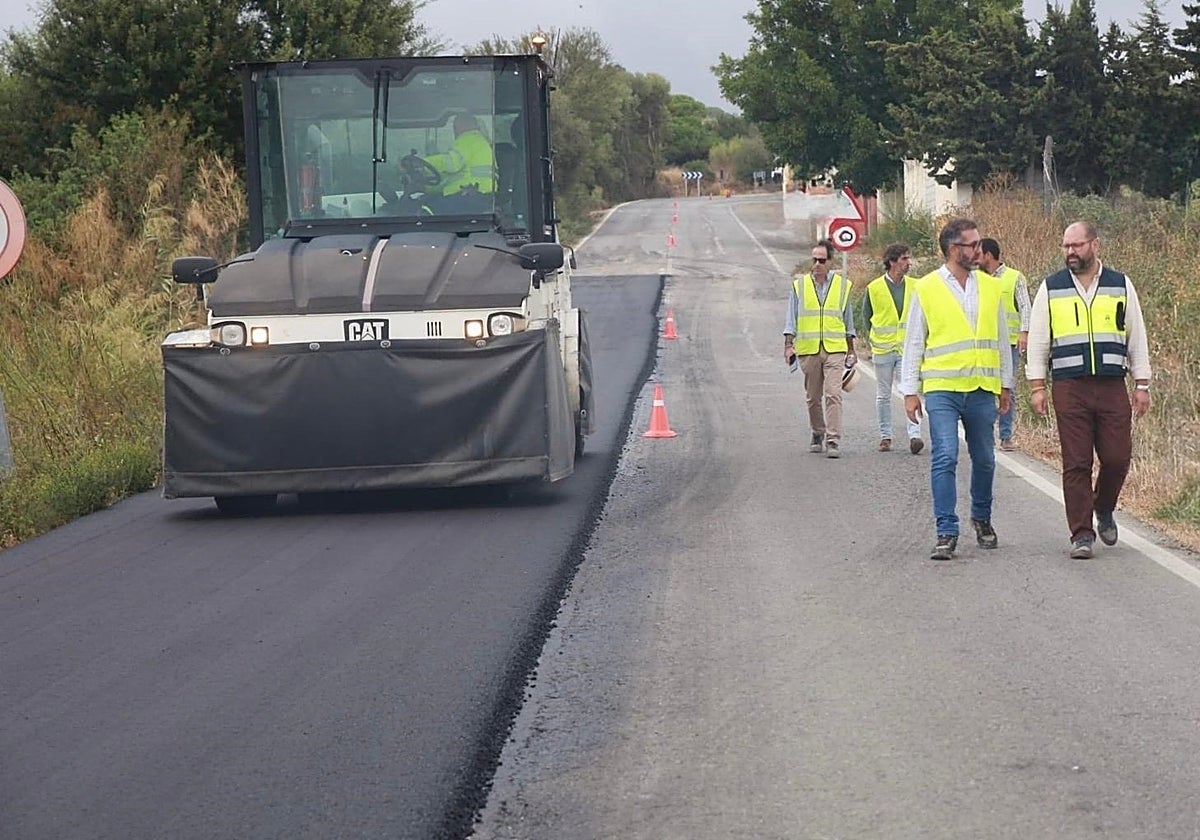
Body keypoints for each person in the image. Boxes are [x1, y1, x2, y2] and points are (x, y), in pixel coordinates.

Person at [1026, 220, 1151, 559]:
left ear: (1095, 245)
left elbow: (1135, 335)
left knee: (1116, 457)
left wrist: (1142, 383)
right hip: (1070, 386)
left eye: (1077, 245)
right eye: (1066, 246)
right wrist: (1037, 386)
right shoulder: (1051, 288)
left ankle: (1104, 506)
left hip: (1112, 385)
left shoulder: (1120, 284)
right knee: (1076, 461)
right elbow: (1038, 339)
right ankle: (1081, 534)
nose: (1070, 252)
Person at [900, 218, 1014, 560]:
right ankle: (946, 530)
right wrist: (909, 391)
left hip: (981, 388)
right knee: (946, 455)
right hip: (942, 389)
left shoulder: (991, 287)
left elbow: (1002, 338)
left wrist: (1005, 385)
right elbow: (914, 341)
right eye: (973, 244)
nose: (980, 250)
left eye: (979, 244)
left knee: (985, 459)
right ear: (954, 249)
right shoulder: (927, 287)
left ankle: (981, 517)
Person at [783, 238, 857, 458]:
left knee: (833, 394)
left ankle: (833, 439)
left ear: (830, 262)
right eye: (814, 260)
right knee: (813, 397)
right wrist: (788, 345)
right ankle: (817, 432)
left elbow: (848, 320)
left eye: (821, 260)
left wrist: (852, 349)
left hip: (835, 348)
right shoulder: (800, 286)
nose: (816, 264)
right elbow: (791, 318)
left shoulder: (842, 287)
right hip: (809, 349)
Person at [861, 242, 923, 454]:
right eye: (904, 258)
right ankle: (885, 436)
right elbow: (866, 316)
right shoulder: (874, 287)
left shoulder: (916, 286)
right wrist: (873, 338)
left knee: (910, 390)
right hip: (883, 348)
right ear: (892, 262)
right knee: (883, 394)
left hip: (906, 348)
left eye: (908, 258)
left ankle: (915, 435)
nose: (908, 263)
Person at [977, 238, 1031, 451]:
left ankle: (1006, 435)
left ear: (988, 255)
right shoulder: (976, 278)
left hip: (1009, 342)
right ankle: (986, 433)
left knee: (1007, 388)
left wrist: (1024, 332)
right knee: (985, 388)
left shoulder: (1014, 277)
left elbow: (1025, 306)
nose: (976, 258)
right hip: (984, 342)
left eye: (979, 254)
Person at [426, 114, 496, 198]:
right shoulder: (482, 143)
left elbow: (451, 163)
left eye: (455, 127)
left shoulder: (468, 139)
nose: (455, 132)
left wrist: (424, 164)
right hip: (483, 194)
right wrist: (428, 189)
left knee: (425, 208)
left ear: (461, 126)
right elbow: (453, 177)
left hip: (467, 196)